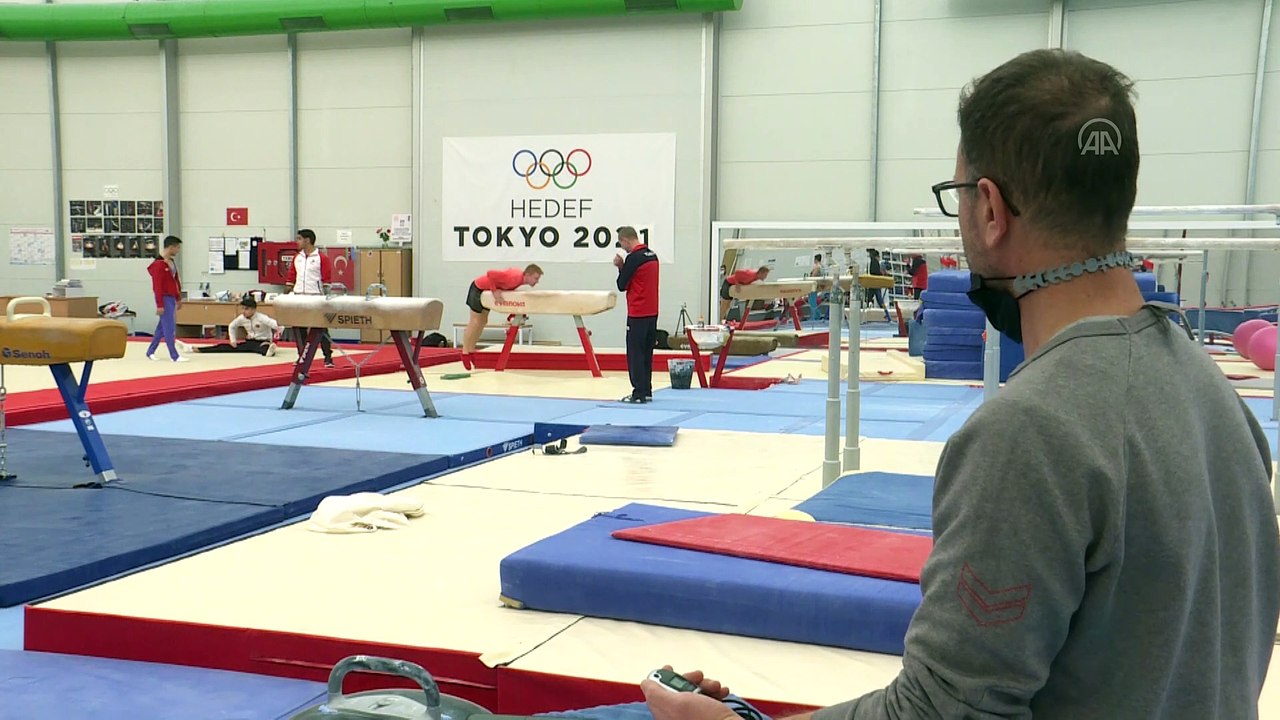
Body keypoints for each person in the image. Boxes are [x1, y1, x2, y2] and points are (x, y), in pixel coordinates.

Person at [641, 48, 1280, 720]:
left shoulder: (1031, 432)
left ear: (991, 209)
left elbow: (944, 712)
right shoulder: (1219, 399)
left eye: (958, 198)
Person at [461, 264, 543, 369]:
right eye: (536, 278)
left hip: (485, 291)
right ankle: (464, 352)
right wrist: (494, 290)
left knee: (483, 321)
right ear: (527, 275)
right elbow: (490, 273)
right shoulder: (514, 278)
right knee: (475, 321)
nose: (537, 281)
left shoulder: (519, 280)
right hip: (477, 288)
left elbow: (505, 284)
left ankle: (471, 350)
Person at [614, 226, 659, 403]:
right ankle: (646, 390)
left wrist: (620, 267)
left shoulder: (633, 258)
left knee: (635, 353)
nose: (623, 248)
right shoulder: (652, 255)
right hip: (652, 311)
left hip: (638, 312)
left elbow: (622, 285)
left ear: (625, 240)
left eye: (622, 244)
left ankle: (638, 392)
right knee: (647, 352)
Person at [286, 228, 334, 367]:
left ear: (307, 240)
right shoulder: (297, 258)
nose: (297, 242)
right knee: (298, 328)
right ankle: (302, 356)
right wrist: (286, 293)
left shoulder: (321, 258)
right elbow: (291, 277)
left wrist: (326, 298)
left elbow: (326, 280)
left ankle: (328, 357)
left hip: (315, 296)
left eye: (299, 239)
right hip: (299, 296)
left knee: (321, 328)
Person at [187, 297, 279, 356]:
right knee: (225, 347)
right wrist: (233, 341)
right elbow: (232, 326)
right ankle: (200, 349)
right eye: (243, 308)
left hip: (262, 341)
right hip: (250, 342)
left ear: (253, 309)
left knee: (261, 349)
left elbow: (278, 326)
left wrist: (273, 340)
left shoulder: (262, 318)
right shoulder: (242, 318)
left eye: (246, 309)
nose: (244, 311)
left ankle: (269, 348)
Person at [145, 235, 187, 363]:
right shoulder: (158, 265)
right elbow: (157, 286)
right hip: (164, 298)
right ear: (171, 247)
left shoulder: (171, 262)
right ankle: (174, 356)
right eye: (177, 248)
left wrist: (178, 298)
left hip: (172, 297)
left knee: (161, 328)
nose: (178, 251)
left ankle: (150, 351)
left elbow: (175, 281)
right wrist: (159, 304)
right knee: (169, 327)